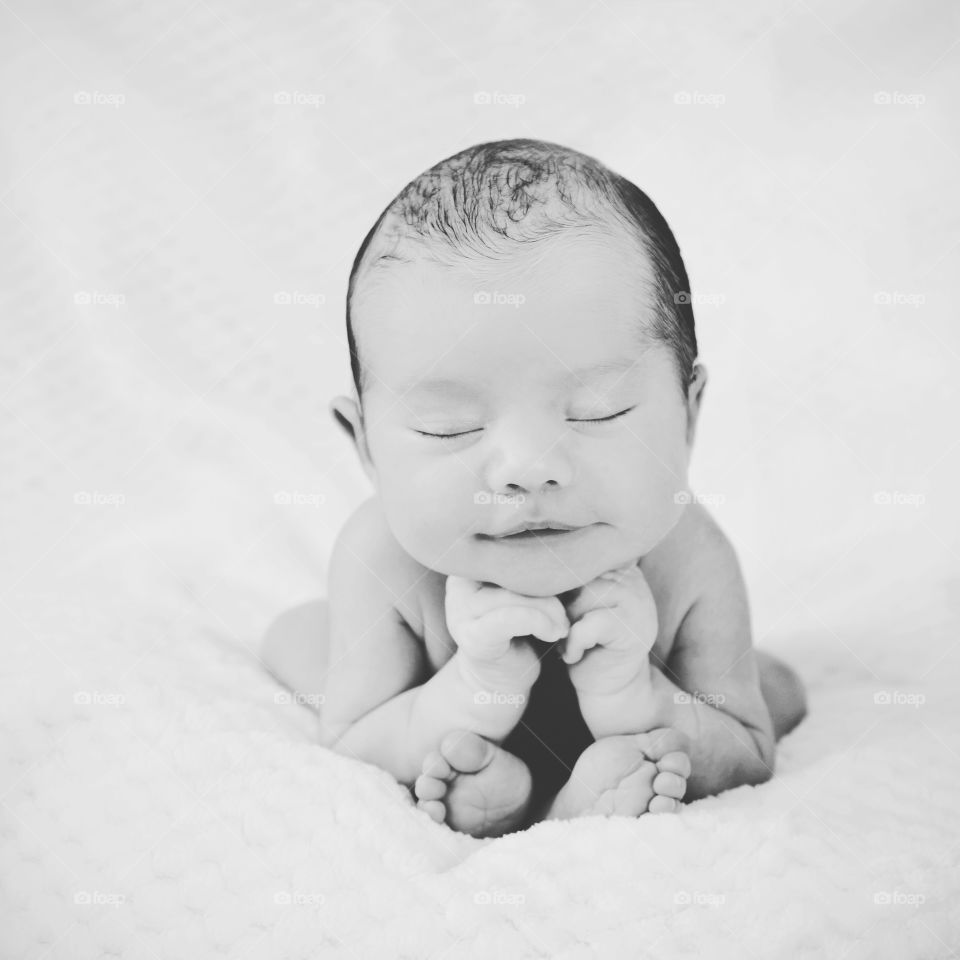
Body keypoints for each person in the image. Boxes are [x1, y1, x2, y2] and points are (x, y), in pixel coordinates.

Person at [261, 138, 807, 838]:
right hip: (452, 723)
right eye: (446, 427)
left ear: (688, 413)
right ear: (365, 444)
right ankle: (500, 789)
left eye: (598, 410)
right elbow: (358, 743)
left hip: (638, 725)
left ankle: (568, 798)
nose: (526, 468)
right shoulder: (383, 560)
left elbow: (746, 752)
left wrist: (632, 691)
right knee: (300, 638)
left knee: (778, 688)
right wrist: (476, 687)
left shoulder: (688, 555)